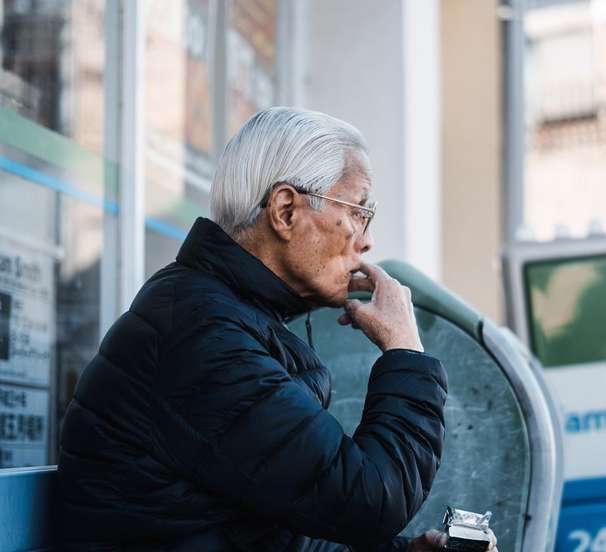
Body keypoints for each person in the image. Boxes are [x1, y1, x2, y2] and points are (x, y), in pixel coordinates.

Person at [57, 108, 495, 551]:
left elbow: (277, 532)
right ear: (285, 211)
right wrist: (405, 351)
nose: (367, 241)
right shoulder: (203, 335)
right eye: (359, 211)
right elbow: (370, 500)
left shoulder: (220, 316)